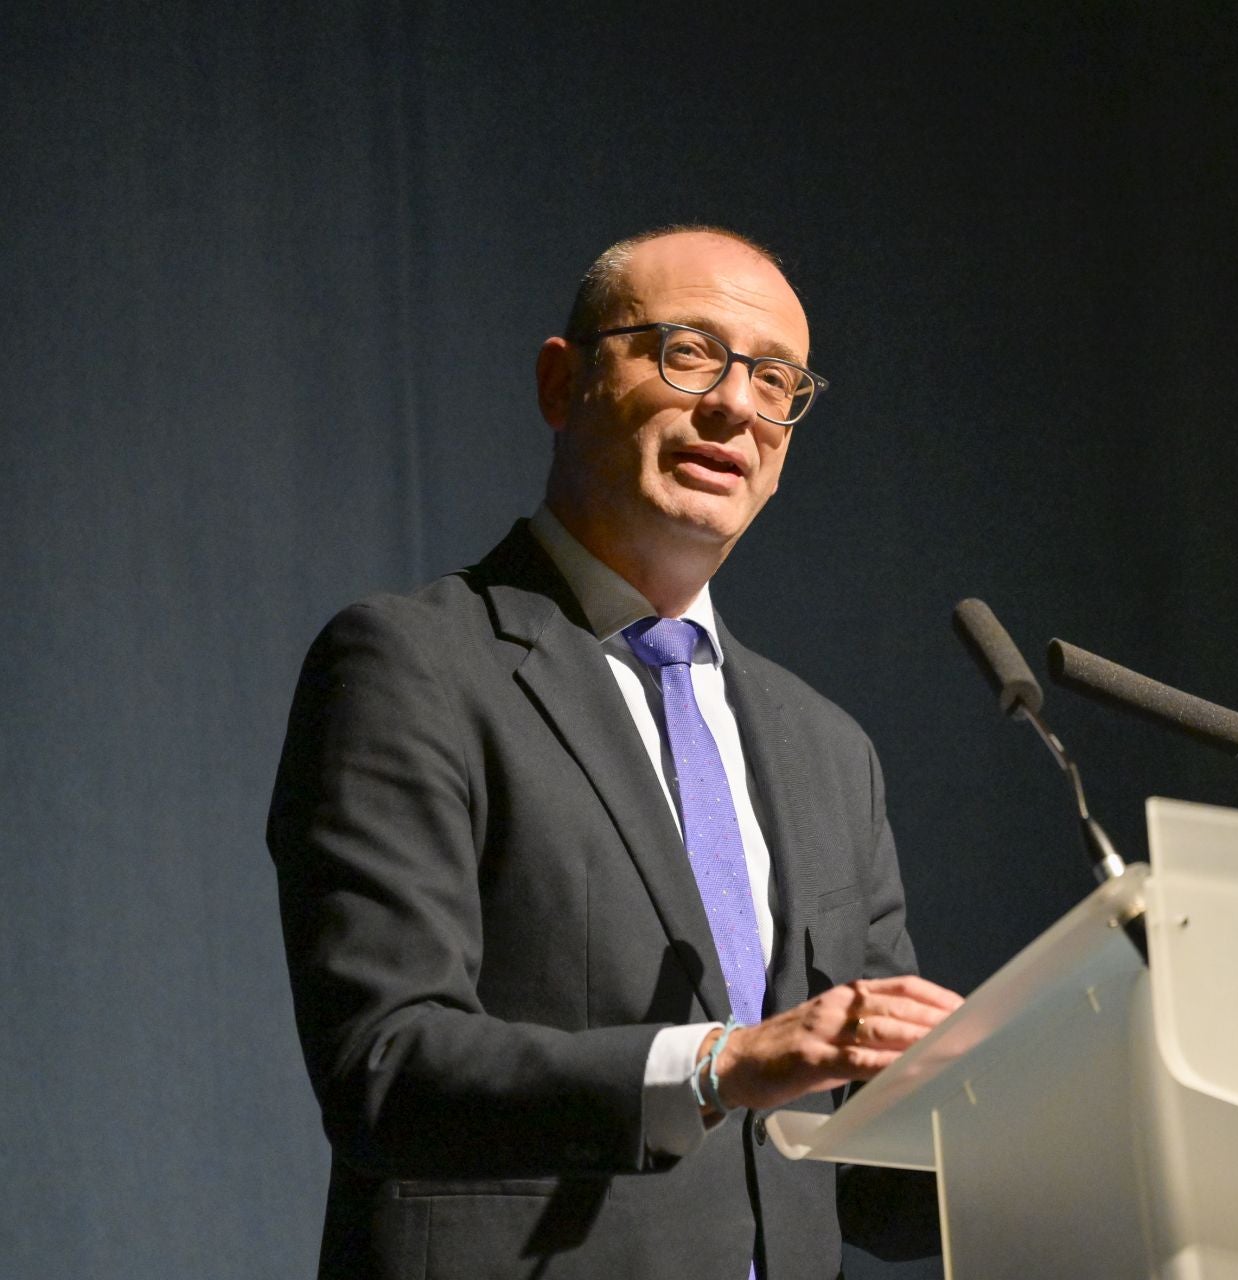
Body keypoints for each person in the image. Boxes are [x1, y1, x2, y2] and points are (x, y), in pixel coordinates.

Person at [268, 226, 962, 1279]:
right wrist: (718, 1063)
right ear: (563, 381)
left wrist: (1075, 1113)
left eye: (776, 380)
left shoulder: (829, 750)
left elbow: (866, 1171)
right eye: (689, 353)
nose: (735, 404)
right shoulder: (413, 664)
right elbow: (387, 1063)